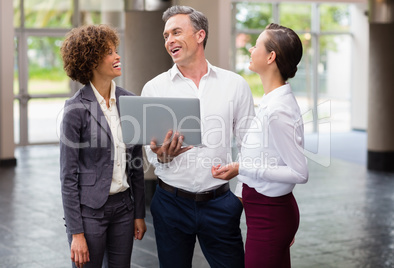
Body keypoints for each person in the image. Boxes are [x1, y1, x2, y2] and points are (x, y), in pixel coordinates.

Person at [141, 5, 255, 268]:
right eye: (166, 35)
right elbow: (150, 151)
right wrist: (161, 156)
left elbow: (251, 142)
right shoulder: (154, 88)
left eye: (176, 32)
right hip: (170, 205)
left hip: (220, 204)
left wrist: (237, 199)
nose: (169, 40)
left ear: (200, 35)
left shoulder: (234, 84)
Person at [211, 23, 309, 268]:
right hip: (268, 214)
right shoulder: (272, 100)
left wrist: (242, 168)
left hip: (270, 217)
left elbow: (299, 172)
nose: (251, 49)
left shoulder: (278, 110)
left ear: (271, 56)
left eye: (256, 45)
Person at [59, 24, 146, 268]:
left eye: (116, 50)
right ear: (92, 60)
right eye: (109, 52)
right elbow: (68, 177)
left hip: (124, 209)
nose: (118, 56)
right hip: (89, 213)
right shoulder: (75, 109)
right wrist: (76, 233)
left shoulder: (130, 102)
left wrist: (139, 213)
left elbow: (136, 164)